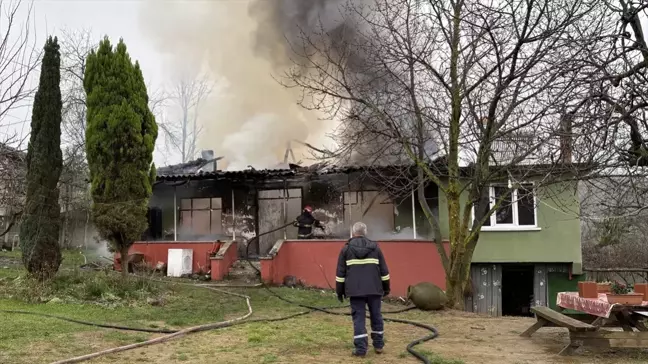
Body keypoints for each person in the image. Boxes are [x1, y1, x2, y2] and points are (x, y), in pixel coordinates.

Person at [335, 222, 391, 357]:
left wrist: (340, 292)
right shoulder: (375, 248)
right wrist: (386, 288)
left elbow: (340, 274)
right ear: (365, 232)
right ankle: (378, 345)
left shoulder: (346, 250)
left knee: (358, 318)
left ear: (353, 232)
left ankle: (361, 350)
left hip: (355, 291)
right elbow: (384, 271)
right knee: (376, 315)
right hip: (374, 289)